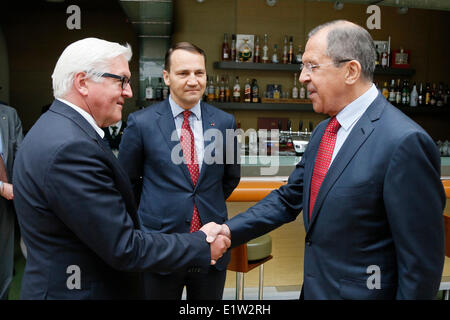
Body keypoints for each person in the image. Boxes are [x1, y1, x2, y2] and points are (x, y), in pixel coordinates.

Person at [213, 20, 446, 300]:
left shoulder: (404, 142)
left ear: (350, 71)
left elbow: (420, 268)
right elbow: (289, 198)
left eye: (312, 66)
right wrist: (227, 230)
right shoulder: (325, 131)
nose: (301, 77)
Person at [12, 37, 230, 300]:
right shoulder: (71, 148)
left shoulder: (56, 129)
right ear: (83, 83)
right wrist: (199, 243)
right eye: (121, 81)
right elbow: (123, 244)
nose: (128, 92)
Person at [118, 42, 241, 300]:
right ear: (167, 77)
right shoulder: (141, 123)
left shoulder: (224, 122)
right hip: (160, 246)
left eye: (199, 73)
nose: (193, 81)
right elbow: (128, 183)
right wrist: (157, 210)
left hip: (211, 247)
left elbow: (230, 178)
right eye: (183, 73)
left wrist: (205, 202)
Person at [0, 102, 23, 300]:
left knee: (4, 267)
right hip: (4, 191)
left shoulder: (9, 114)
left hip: (6, 204)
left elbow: (19, 156)